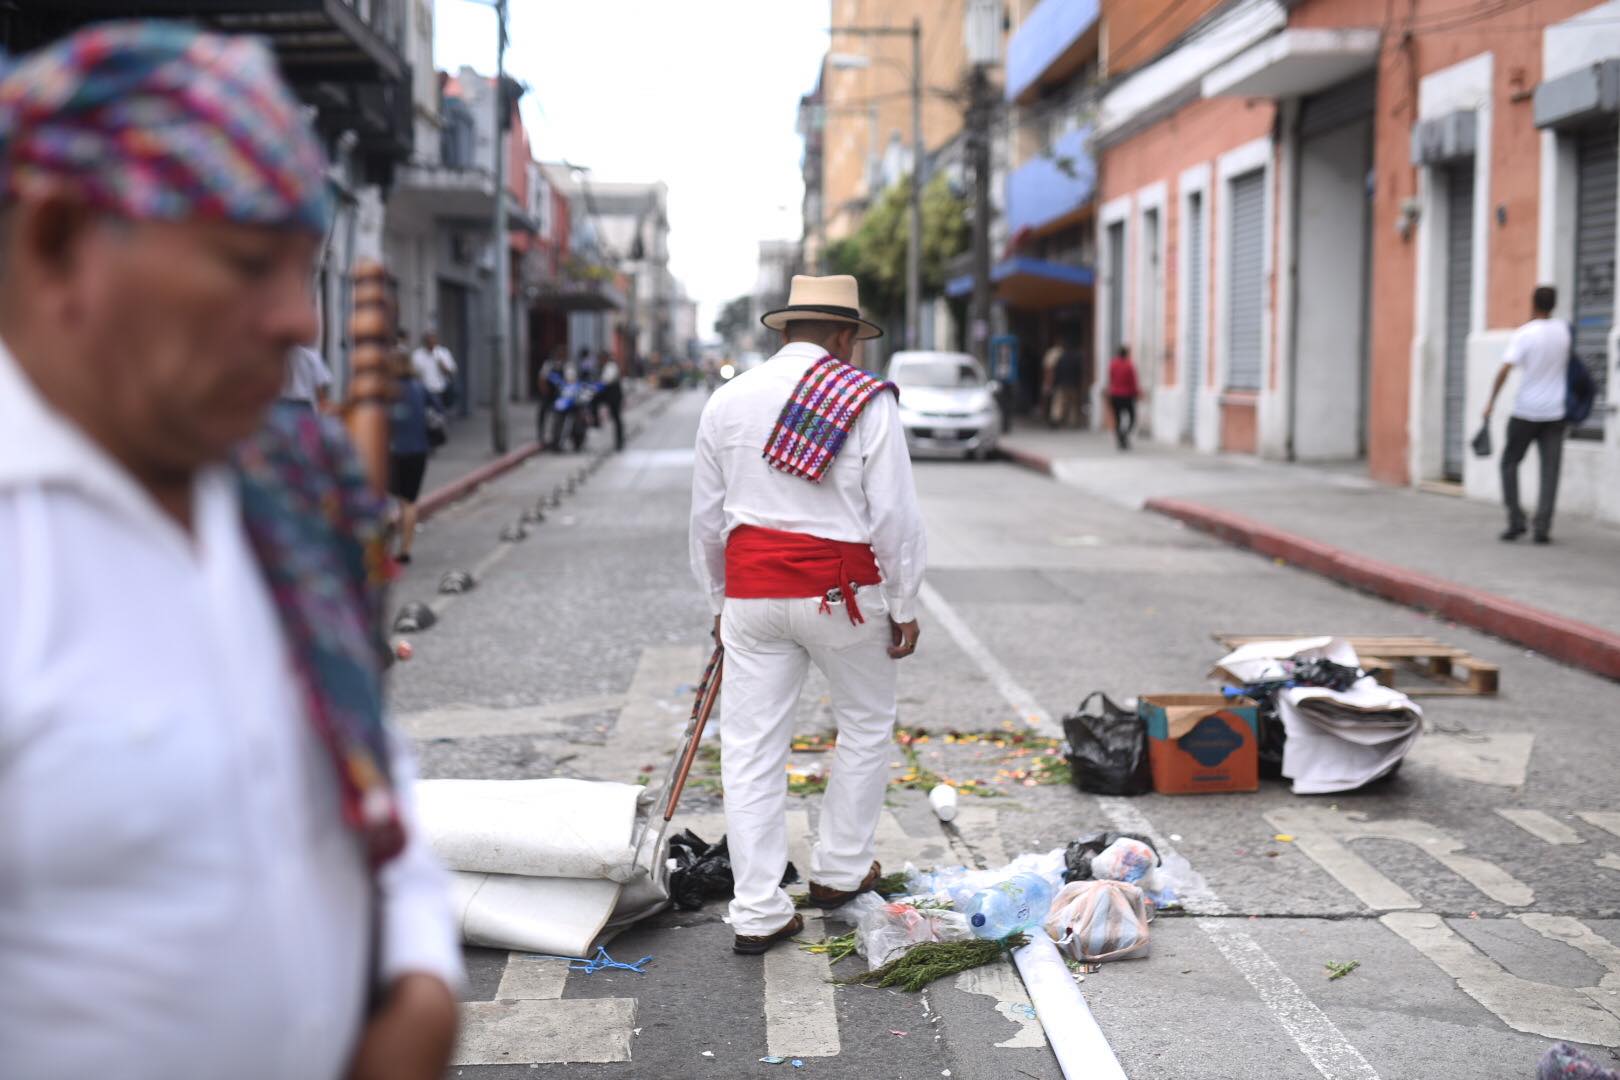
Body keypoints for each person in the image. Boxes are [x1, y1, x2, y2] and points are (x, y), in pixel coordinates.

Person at [0, 24, 461, 1080]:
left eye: (308, 269)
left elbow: (364, 765)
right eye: (251, 263)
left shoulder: (285, 496)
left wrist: (420, 977)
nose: (300, 320)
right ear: (60, 243)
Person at [689, 274, 926, 955]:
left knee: (751, 749)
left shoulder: (726, 400)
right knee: (865, 724)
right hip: (843, 595)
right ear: (846, 338)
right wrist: (905, 603)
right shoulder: (863, 399)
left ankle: (758, 909)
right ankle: (840, 869)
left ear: (784, 331)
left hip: (752, 596)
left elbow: (706, 523)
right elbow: (896, 516)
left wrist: (717, 602)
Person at [1484, 285, 1571, 543]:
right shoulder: (1564, 331)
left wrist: (1491, 401)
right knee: (1550, 470)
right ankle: (1542, 526)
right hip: (1555, 412)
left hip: (1525, 411)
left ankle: (1516, 520)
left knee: (1509, 462)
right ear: (1554, 304)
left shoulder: (1525, 334)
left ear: (1533, 303)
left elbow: (1504, 369)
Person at [390, 350, 433, 564]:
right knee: (409, 502)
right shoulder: (420, 388)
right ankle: (405, 549)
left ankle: (382, 550)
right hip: (418, 451)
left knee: (389, 501)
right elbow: (439, 408)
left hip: (392, 452)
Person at [411, 329, 458, 412]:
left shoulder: (443, 353)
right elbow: (413, 373)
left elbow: (452, 370)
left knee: (439, 415)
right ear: (424, 342)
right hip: (423, 391)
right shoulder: (417, 355)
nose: (431, 343)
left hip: (439, 390)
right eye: (428, 341)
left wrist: (443, 366)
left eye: (433, 340)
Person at [1107, 344, 1140, 450]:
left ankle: (1120, 437)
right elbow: (1133, 381)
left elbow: (1111, 379)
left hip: (1115, 395)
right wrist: (1137, 393)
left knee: (1117, 418)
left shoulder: (1113, 364)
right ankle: (1124, 434)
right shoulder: (1129, 365)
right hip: (1127, 395)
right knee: (1132, 418)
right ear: (1126, 354)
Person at [282, 344, 333, 411]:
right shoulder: (311, 352)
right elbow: (319, 385)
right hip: (304, 404)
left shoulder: (279, 351)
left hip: (281, 403)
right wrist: (322, 401)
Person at [1050, 336, 1086, 428]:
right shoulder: (1076, 358)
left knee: (1059, 402)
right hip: (1073, 383)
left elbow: (1057, 371)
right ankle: (1072, 421)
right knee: (1073, 404)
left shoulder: (1061, 357)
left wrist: (1055, 383)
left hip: (1062, 383)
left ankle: (1056, 418)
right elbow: (1079, 371)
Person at [597, 349, 625, 451]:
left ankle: (619, 442)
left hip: (614, 396)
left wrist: (598, 385)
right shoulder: (604, 367)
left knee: (616, 418)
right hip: (610, 395)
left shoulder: (610, 367)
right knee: (615, 418)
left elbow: (606, 380)